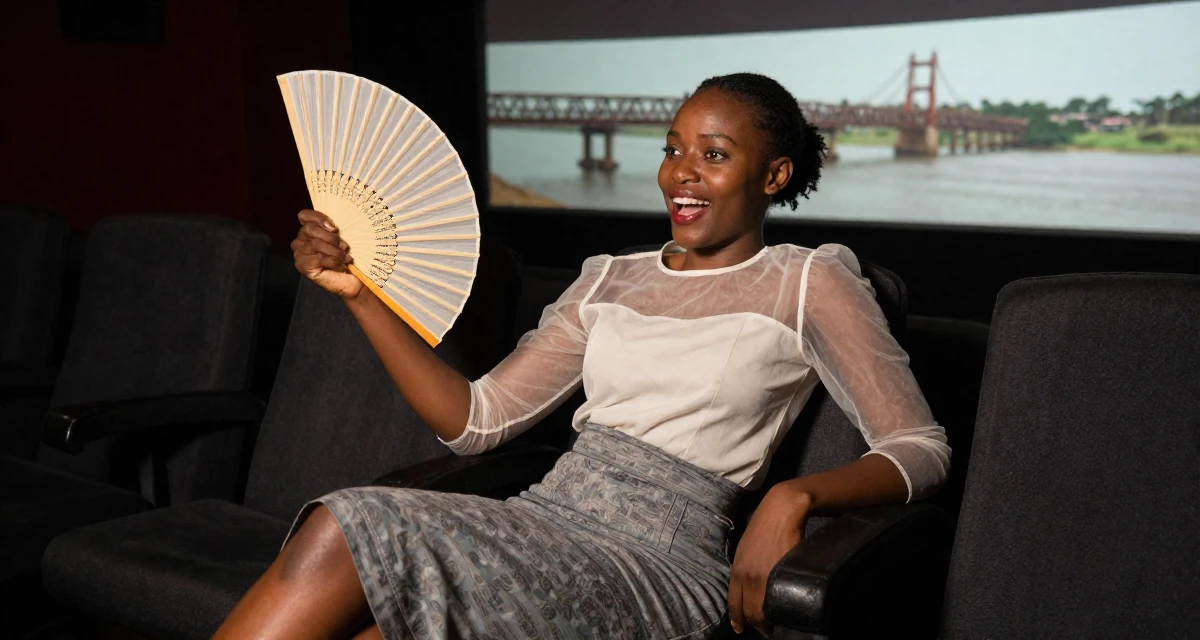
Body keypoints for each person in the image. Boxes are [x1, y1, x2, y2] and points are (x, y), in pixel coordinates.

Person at [214, 72, 950, 640]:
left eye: (714, 155)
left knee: (348, 540)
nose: (681, 172)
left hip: (657, 561)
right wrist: (359, 296)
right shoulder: (608, 277)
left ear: (774, 175)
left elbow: (920, 447)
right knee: (353, 564)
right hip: (541, 516)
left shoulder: (809, 280)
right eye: (672, 149)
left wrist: (796, 496)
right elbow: (475, 422)